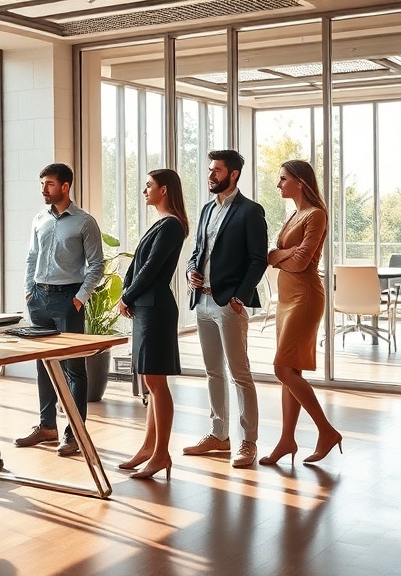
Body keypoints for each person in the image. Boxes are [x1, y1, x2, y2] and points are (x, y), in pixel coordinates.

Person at [184, 149, 268, 468]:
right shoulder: (207, 210)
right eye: (209, 169)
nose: (210, 175)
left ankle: (248, 441)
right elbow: (197, 251)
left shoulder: (250, 211)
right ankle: (219, 435)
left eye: (216, 170)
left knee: (240, 373)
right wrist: (192, 270)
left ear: (232, 174)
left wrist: (240, 296)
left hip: (228, 303)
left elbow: (257, 259)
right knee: (212, 371)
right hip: (202, 301)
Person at [14, 163, 105, 457]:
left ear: (65, 186)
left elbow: (96, 265)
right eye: (42, 184)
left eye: (49, 184)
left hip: (68, 299)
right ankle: (47, 427)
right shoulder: (39, 218)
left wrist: (78, 299)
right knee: (43, 364)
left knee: (73, 369)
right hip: (39, 298)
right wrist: (29, 291)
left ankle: (74, 433)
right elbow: (31, 257)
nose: (44, 189)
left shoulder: (84, 222)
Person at [260, 160, 343, 465]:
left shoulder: (316, 215)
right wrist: (283, 256)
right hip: (286, 298)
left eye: (282, 179)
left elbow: (301, 262)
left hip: (305, 298)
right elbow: (273, 255)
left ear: (300, 181)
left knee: (282, 368)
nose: (278, 184)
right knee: (289, 371)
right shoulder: (295, 214)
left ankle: (327, 431)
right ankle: (286, 441)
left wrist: (279, 257)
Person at [116, 169, 190, 480]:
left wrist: (126, 297)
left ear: (164, 190)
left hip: (156, 308)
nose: (144, 190)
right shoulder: (161, 223)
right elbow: (138, 266)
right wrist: (128, 294)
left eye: (149, 185)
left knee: (157, 384)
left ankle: (161, 454)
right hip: (146, 306)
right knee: (151, 382)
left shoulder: (171, 225)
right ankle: (149, 448)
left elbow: (150, 269)